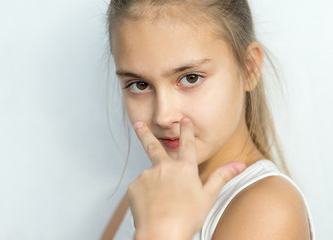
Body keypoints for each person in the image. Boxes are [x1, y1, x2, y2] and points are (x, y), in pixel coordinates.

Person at [101, 0, 314, 239]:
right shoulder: (147, 193)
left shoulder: (268, 209)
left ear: (249, 68)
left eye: (190, 78)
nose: (163, 116)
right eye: (139, 85)